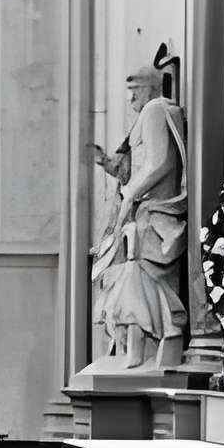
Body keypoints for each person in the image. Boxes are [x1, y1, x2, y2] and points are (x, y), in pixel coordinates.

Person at [90, 62, 188, 368]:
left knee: (134, 277)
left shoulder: (156, 111)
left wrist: (131, 193)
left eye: (134, 92)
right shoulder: (146, 117)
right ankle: (126, 345)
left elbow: (160, 163)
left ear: (149, 87)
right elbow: (132, 166)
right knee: (115, 274)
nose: (131, 100)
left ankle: (142, 345)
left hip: (154, 214)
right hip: (140, 212)